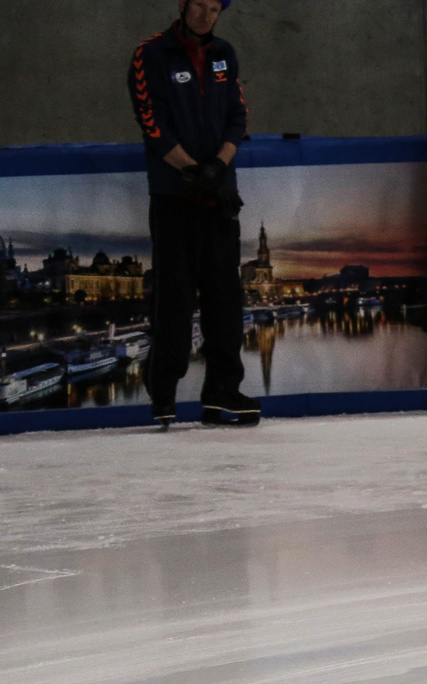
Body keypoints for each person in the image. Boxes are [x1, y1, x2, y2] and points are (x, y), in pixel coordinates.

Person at [127, 0, 256, 430]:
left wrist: (218, 168)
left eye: (215, 8)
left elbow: (238, 118)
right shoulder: (150, 53)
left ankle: (222, 391)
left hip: (219, 197)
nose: (206, 15)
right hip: (174, 198)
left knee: (225, 302)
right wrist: (192, 170)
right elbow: (153, 123)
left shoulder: (224, 53)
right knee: (173, 302)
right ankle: (163, 394)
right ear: (182, 5)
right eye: (199, 5)